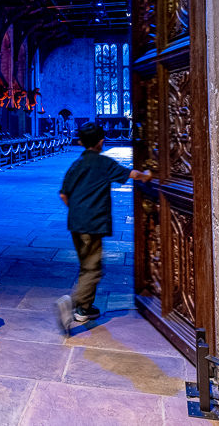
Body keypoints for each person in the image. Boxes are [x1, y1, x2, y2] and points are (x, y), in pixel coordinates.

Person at [55, 122, 152, 335]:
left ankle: (85, 309)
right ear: (101, 142)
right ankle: (71, 303)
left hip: (76, 222)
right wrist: (146, 175)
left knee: (85, 264)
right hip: (93, 223)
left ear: (81, 142)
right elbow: (131, 174)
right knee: (94, 269)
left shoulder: (76, 164)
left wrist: (78, 211)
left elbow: (63, 194)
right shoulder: (103, 163)